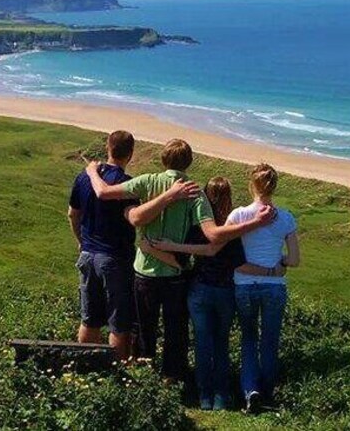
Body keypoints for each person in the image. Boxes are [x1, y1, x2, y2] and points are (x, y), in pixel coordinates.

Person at [84, 139, 275, 382]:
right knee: (176, 332)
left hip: (144, 271)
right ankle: (172, 380)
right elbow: (213, 235)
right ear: (189, 162)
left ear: (164, 159)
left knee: (144, 330)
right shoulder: (194, 191)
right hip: (175, 276)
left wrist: (91, 170)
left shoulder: (147, 181)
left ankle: (143, 379)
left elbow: (102, 192)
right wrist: (255, 223)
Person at [150, 177, 286, 411]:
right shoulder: (232, 228)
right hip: (226, 291)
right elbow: (239, 262)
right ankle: (222, 396)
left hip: (200, 289)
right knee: (221, 343)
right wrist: (272, 270)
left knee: (202, 343)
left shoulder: (197, 226)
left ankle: (204, 395)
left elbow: (187, 260)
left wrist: (162, 247)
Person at [69, 131, 198, 360]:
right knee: (120, 322)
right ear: (130, 154)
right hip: (115, 258)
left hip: (88, 254)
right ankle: (119, 371)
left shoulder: (83, 178)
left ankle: (85, 367)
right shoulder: (125, 183)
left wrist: (81, 242)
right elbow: (135, 218)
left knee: (89, 318)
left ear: (108, 149)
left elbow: (73, 214)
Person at [228, 163, 299, 413]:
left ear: (252, 185)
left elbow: (229, 254)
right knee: (269, 340)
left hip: (245, 285)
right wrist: (277, 265)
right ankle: (267, 393)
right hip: (274, 286)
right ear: (274, 187)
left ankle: (251, 391)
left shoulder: (238, 215)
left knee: (248, 339)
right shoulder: (287, 218)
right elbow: (294, 260)